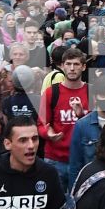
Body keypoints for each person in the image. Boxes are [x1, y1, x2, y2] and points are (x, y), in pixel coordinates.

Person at [40, 46, 90, 186]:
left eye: (76, 64)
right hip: (55, 159)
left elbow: (96, 126)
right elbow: (41, 124)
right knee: (55, 204)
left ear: (84, 67)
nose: (72, 68)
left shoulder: (91, 92)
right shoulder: (51, 92)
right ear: (62, 66)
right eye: (68, 64)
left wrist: (82, 116)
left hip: (82, 159)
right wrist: (48, 132)